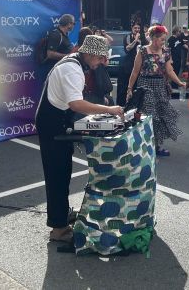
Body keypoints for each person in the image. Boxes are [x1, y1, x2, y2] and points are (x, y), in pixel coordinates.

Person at [35, 35, 123, 244]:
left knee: (63, 171)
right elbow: (76, 104)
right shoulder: (72, 69)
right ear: (90, 54)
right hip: (52, 123)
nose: (103, 62)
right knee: (57, 175)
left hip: (57, 119)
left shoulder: (74, 63)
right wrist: (109, 110)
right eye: (101, 58)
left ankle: (62, 214)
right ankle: (58, 228)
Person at [127, 25, 186, 156]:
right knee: (150, 115)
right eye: (161, 39)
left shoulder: (166, 52)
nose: (163, 42)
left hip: (160, 86)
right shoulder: (142, 51)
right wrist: (129, 88)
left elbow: (169, 71)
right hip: (145, 85)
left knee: (161, 116)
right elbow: (135, 71)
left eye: (164, 40)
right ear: (153, 38)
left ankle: (156, 145)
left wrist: (179, 82)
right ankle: (145, 144)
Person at [117, 23, 146, 106]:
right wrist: (135, 40)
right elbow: (127, 48)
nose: (137, 29)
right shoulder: (128, 37)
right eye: (135, 28)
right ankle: (122, 105)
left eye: (138, 28)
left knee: (137, 87)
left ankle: (135, 105)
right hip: (128, 65)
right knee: (125, 86)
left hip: (139, 65)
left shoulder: (142, 38)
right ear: (132, 28)